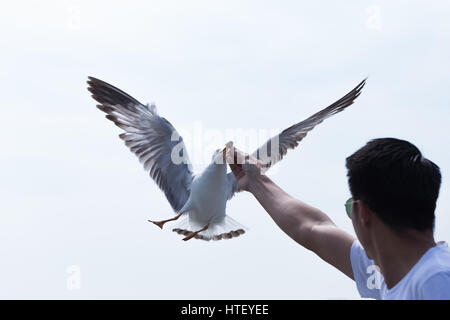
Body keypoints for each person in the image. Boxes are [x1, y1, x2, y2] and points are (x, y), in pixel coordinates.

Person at [226, 137, 450, 299]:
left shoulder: (436, 280)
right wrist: (256, 181)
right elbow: (311, 228)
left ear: (363, 213)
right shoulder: (389, 271)